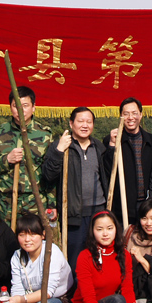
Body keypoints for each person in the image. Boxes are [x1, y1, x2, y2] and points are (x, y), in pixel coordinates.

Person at [43, 107, 109, 272]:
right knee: (75, 258)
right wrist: (59, 151)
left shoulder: (98, 147)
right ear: (71, 123)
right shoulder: (61, 146)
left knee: (99, 255)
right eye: (80, 121)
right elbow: (48, 175)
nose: (85, 125)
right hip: (73, 212)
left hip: (98, 210)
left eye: (89, 122)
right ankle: (73, 288)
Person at [5, 214, 74, 303]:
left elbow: (48, 292)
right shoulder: (17, 256)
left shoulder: (51, 251)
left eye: (33, 234)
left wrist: (20, 299)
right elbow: (17, 289)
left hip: (58, 299)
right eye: (22, 235)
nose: (27, 239)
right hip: (30, 299)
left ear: (43, 235)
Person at [0, 86, 56, 223]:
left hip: (35, 201)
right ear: (10, 107)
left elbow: (50, 172)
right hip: (8, 200)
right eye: (16, 106)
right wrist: (6, 160)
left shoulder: (45, 134)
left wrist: (51, 204)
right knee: (8, 236)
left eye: (25, 106)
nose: (20, 110)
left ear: (33, 107)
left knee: (34, 236)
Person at [103, 97, 152, 226]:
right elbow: (107, 170)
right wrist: (112, 146)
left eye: (134, 113)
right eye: (126, 114)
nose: (130, 117)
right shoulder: (112, 140)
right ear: (121, 116)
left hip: (146, 204)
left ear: (141, 115)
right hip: (121, 205)